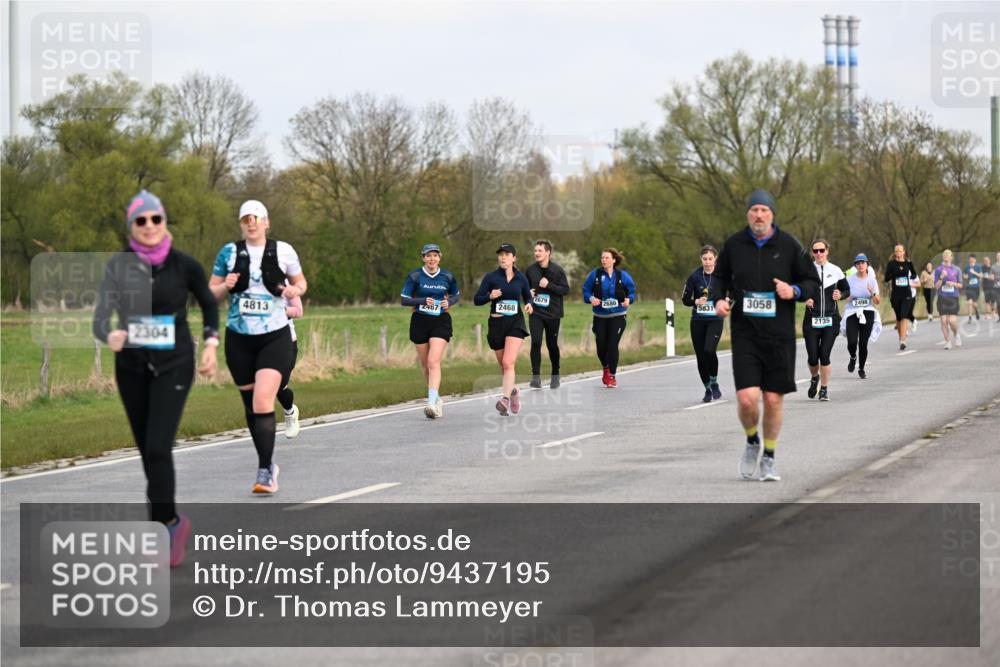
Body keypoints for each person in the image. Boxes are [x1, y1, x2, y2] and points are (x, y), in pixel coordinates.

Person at [93, 190, 219, 567]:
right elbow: (100, 316)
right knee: (148, 451)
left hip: (174, 364)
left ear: (164, 222)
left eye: (156, 219)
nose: (149, 226)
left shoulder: (184, 266)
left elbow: (210, 303)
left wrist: (211, 344)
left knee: (159, 447)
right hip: (131, 367)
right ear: (132, 226)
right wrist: (109, 334)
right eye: (141, 221)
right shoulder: (118, 267)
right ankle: (168, 523)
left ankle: (165, 526)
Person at [713, 189, 818, 482]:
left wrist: (794, 291)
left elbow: (811, 280)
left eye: (764, 210)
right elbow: (719, 277)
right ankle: (751, 441)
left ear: (772, 214)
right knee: (747, 400)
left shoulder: (788, 245)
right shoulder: (734, 245)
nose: (759, 215)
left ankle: (769, 457)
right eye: (754, 209)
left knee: (772, 400)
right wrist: (719, 300)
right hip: (745, 334)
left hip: (779, 335)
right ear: (748, 213)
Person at [209, 200, 307, 494]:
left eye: (256, 218)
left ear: (266, 222)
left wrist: (294, 290)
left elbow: (301, 283)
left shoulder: (284, 250)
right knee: (251, 409)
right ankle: (269, 463)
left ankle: (265, 472)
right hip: (239, 338)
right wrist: (224, 285)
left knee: (263, 400)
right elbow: (208, 293)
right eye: (245, 218)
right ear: (241, 223)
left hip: (274, 335)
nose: (251, 222)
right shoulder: (228, 252)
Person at [400, 243, 461, 419]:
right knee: (426, 366)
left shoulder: (448, 276)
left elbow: (456, 295)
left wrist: (449, 302)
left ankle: (431, 403)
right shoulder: (415, 276)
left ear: (440, 257)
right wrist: (421, 301)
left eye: (435, 255)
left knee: (434, 361)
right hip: (420, 321)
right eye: (428, 256)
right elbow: (404, 300)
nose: (432, 259)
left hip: (441, 321)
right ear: (423, 258)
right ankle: (437, 399)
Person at [474, 244, 534, 415]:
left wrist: (529, 304)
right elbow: (477, 299)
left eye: (507, 254)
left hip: (515, 323)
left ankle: (504, 399)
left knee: (508, 363)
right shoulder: (491, 277)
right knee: (504, 366)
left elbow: (528, 296)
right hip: (496, 325)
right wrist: (489, 296)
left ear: (514, 258)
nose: (503, 257)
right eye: (501, 254)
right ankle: (513, 391)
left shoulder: (521, 278)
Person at [582, 248, 637, 388]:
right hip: (600, 316)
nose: (603, 260)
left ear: (613, 260)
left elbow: (632, 292)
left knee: (612, 345)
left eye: (606, 257)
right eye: (602, 258)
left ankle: (612, 376)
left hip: (618, 315)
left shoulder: (622, 276)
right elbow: (586, 291)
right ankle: (606, 368)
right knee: (601, 347)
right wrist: (591, 298)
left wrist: (628, 300)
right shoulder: (595, 275)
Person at [803, 239, 849, 401]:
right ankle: (814, 377)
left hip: (831, 319)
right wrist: (805, 298)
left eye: (821, 250)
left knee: (824, 355)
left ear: (827, 251)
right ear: (812, 253)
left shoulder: (836, 270)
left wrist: (841, 295)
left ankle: (824, 389)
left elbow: (846, 290)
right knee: (812, 357)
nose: (819, 254)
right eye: (815, 251)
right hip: (811, 320)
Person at [681, 245, 726, 402]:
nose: (707, 262)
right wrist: (696, 301)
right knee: (700, 357)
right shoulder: (694, 277)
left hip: (715, 319)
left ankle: (714, 382)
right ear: (701, 259)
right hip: (698, 320)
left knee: (709, 350)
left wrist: (726, 302)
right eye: (705, 259)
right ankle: (707, 389)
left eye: (710, 259)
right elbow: (685, 300)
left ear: (716, 259)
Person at [525, 239, 570, 389]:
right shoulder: (530, 271)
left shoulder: (557, 271)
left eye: (540, 251)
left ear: (548, 253)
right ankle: (536, 378)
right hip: (536, 312)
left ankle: (555, 374)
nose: (536, 253)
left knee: (552, 345)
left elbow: (565, 290)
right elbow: (522, 289)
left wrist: (548, 285)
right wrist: (527, 295)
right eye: (535, 250)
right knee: (536, 342)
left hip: (553, 314)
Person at [841, 254, 882, 379]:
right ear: (855, 266)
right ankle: (853, 357)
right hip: (852, 312)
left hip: (867, 312)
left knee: (863, 343)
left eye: (863, 263)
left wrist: (872, 292)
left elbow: (877, 301)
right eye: (858, 263)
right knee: (852, 341)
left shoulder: (872, 280)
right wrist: (848, 297)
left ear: (867, 265)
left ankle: (862, 368)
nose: (860, 265)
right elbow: (845, 297)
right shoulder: (849, 280)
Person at [883, 244, 918, 350]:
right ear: (895, 253)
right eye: (896, 251)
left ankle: (903, 340)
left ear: (903, 252)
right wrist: (894, 274)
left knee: (904, 315)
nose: (898, 252)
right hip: (896, 294)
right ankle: (901, 337)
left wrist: (911, 276)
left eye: (900, 251)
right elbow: (886, 278)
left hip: (906, 293)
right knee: (898, 317)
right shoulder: (891, 264)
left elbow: (914, 274)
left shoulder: (908, 263)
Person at [277, 294, 302, 437]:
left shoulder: (287, 284)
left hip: (287, 343)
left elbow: (298, 310)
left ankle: (290, 412)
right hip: (262, 343)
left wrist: (280, 311)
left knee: (278, 384)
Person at [934, 249, 963, 349]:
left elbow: (961, 285)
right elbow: (936, 286)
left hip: (953, 298)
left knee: (952, 321)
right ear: (943, 257)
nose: (946, 256)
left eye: (948, 255)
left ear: (951, 257)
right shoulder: (938, 270)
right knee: (943, 320)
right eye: (944, 255)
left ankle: (957, 334)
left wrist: (953, 284)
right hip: (942, 298)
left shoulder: (957, 269)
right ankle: (947, 341)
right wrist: (941, 277)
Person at [964, 254, 982, 322]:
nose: (970, 260)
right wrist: (965, 276)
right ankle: (970, 317)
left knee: (974, 303)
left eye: (972, 259)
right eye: (969, 259)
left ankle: (976, 311)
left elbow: (981, 275)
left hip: (976, 287)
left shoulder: (978, 267)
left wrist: (974, 272)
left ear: (975, 260)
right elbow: (964, 275)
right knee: (969, 302)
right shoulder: (967, 267)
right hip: (969, 287)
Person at [981, 256, 996, 321]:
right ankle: (987, 315)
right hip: (985, 287)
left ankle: (993, 313)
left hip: (993, 286)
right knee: (987, 301)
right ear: (983, 262)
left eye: (987, 260)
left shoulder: (993, 268)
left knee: (992, 301)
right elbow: (981, 276)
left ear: (989, 261)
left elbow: (995, 276)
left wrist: (993, 277)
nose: (986, 261)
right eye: (984, 260)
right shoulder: (982, 268)